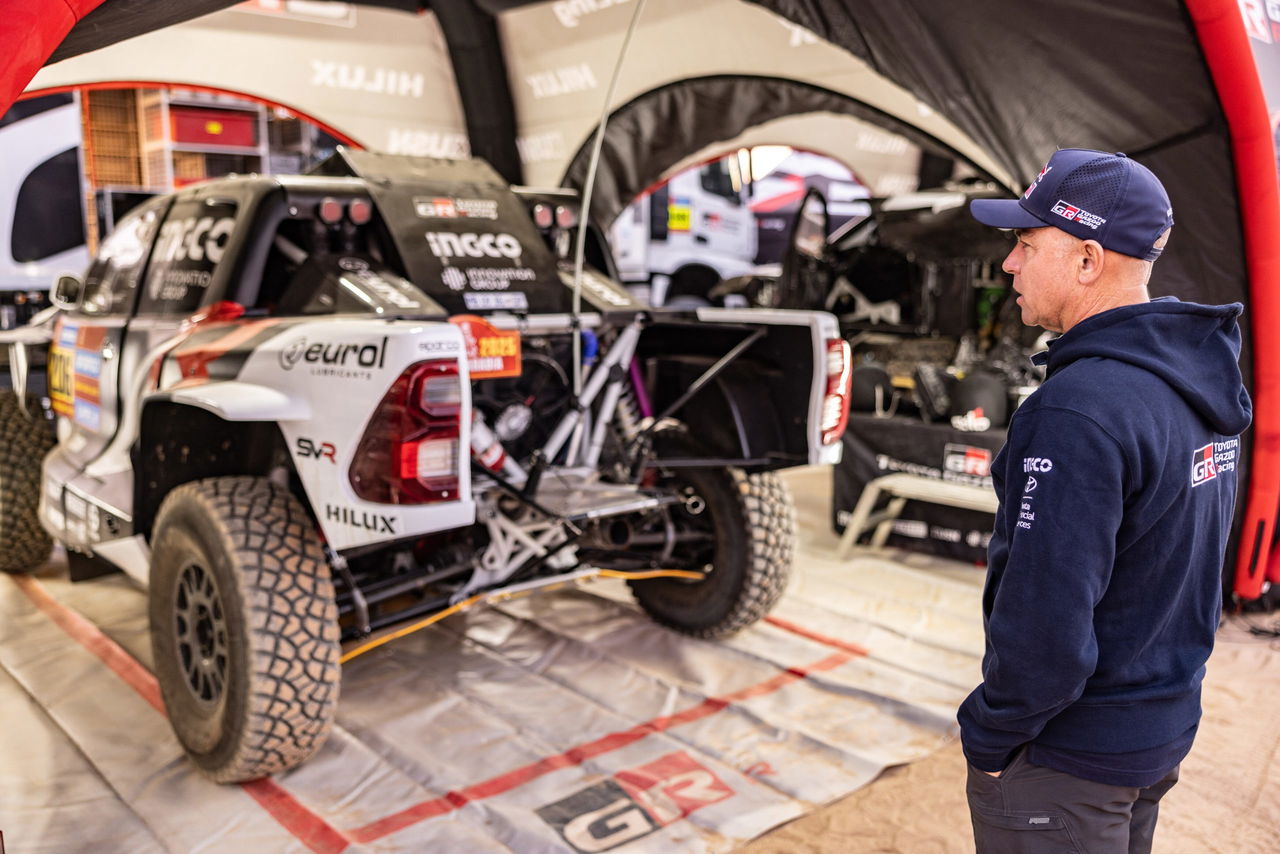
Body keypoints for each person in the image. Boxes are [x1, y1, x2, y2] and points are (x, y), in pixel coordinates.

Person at [959, 148, 1252, 854]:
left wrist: (991, 737)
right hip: (1156, 732)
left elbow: (1045, 625)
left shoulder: (1078, 411)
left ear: (1088, 260)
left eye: (1026, 245)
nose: (1009, 266)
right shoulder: (1197, 379)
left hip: (1069, 759)